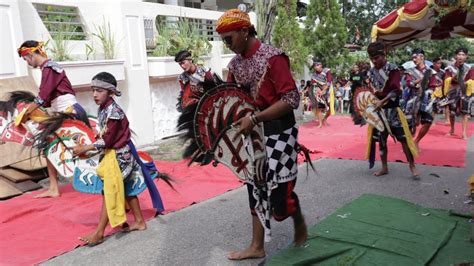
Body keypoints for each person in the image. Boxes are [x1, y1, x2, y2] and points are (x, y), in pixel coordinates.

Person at [216, 9, 307, 260]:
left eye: (229, 38)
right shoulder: (234, 64)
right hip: (251, 136)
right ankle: (257, 246)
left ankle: (295, 214)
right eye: (224, 40)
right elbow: (232, 100)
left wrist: (255, 117)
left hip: (279, 133)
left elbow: (291, 99)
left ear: (245, 31)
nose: (227, 44)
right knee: (254, 188)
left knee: (280, 205)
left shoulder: (274, 58)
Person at [72, 72, 153, 245]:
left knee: (109, 191)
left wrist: (84, 148)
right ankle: (139, 222)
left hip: (119, 157)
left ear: (110, 92)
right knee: (127, 189)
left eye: (99, 91)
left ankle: (99, 232)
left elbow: (108, 140)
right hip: (115, 154)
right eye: (93, 90)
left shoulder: (114, 112)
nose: (94, 94)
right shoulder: (103, 109)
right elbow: (106, 134)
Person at [17, 40, 89, 198]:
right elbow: (47, 99)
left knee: (81, 149)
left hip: (69, 112)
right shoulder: (48, 68)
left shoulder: (49, 68)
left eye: (26, 59)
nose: (28, 63)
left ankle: (55, 187)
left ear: (30, 54)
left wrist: (25, 113)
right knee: (48, 146)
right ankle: (54, 187)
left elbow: (42, 99)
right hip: (63, 112)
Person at [367, 41, 419, 179]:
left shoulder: (393, 69)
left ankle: (412, 166)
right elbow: (371, 89)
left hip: (393, 110)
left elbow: (396, 90)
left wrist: (381, 101)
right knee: (381, 140)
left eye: (376, 57)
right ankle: (384, 167)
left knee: (403, 140)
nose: (374, 60)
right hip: (379, 111)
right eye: (372, 58)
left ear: (383, 55)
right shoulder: (371, 71)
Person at [404, 48, 437, 145]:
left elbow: (433, 85)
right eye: (413, 57)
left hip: (426, 99)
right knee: (410, 123)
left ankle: (416, 141)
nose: (414, 60)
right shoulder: (409, 71)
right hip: (413, 98)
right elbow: (408, 83)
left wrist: (428, 94)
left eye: (415, 57)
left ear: (422, 57)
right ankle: (409, 144)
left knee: (428, 121)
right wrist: (418, 81)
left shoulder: (431, 72)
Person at [444, 47, 474, 140]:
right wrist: (453, 78)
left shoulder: (469, 68)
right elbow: (446, 79)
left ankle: (464, 132)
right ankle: (452, 129)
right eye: (459, 54)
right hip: (453, 91)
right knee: (452, 112)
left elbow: (472, 78)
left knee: (465, 112)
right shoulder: (450, 68)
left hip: (464, 91)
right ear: (455, 56)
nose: (461, 56)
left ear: (466, 56)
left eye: (463, 55)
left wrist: (465, 83)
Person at [310, 61, 334, 127]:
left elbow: (329, 82)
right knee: (319, 107)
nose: (315, 67)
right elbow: (313, 83)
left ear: (320, 65)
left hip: (328, 90)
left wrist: (323, 90)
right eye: (314, 66)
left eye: (316, 65)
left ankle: (325, 119)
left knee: (330, 108)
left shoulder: (327, 71)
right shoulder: (314, 75)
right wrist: (318, 89)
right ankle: (320, 123)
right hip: (318, 91)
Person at [430, 57, 447, 122]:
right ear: (434, 63)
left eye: (440, 63)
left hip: (439, 91)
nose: (439, 65)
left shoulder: (443, 72)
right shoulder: (429, 71)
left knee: (436, 107)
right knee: (429, 107)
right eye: (438, 63)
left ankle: (433, 120)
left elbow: (444, 82)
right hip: (430, 90)